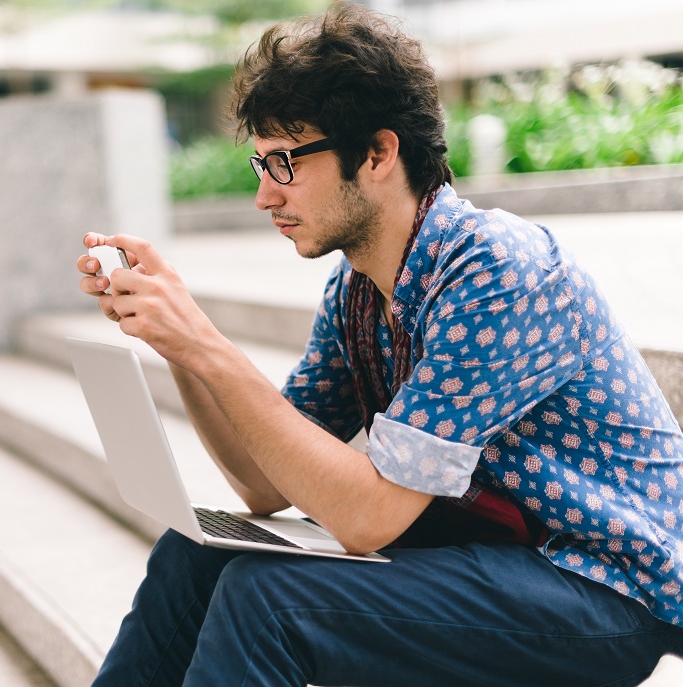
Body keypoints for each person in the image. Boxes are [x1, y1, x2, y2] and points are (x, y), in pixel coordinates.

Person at [75, 3, 683, 685]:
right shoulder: (360, 289)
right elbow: (263, 483)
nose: (263, 196)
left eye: (285, 162)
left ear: (378, 152)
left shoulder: (499, 275)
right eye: (260, 162)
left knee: (269, 598)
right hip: (486, 558)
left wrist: (209, 344)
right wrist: (181, 343)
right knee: (193, 556)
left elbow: (369, 517)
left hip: (600, 586)